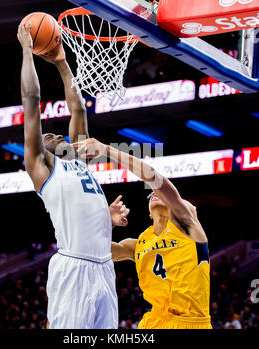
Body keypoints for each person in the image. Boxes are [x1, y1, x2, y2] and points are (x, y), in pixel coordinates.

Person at [17, 23, 129, 329]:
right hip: (73, 268)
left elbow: (78, 108)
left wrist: (62, 62)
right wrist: (27, 49)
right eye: (48, 135)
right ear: (40, 147)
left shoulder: (78, 158)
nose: (55, 134)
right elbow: (31, 100)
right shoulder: (41, 167)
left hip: (104, 269)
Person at [72, 137, 212, 329]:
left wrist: (107, 150)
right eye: (151, 195)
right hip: (153, 323)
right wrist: (107, 223)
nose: (155, 194)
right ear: (148, 213)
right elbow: (89, 250)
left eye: (161, 194)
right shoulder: (138, 244)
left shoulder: (188, 228)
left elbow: (154, 178)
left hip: (190, 322)